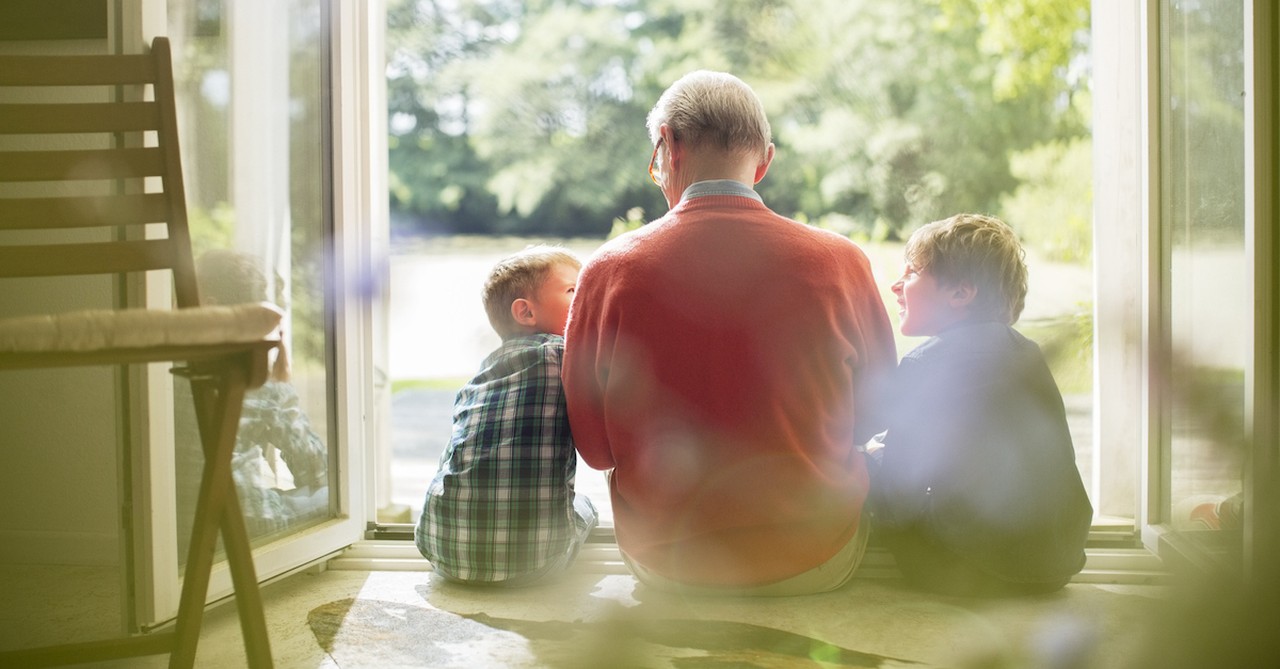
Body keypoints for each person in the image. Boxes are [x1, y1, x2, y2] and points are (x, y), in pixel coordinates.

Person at [562, 70, 898, 595]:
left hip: (667, 566)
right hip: (816, 559)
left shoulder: (608, 271)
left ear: (668, 146)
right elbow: (875, 417)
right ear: (764, 161)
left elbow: (596, 451)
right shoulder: (842, 262)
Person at [869, 213, 1093, 597]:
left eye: (911, 273)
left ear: (961, 293)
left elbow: (895, 502)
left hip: (965, 572)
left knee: (860, 468)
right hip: (1056, 565)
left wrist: (873, 460)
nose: (895, 285)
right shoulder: (1028, 353)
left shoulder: (924, 362)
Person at [415, 245, 598, 586]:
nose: (587, 298)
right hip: (536, 563)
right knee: (586, 507)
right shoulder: (565, 355)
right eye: (574, 290)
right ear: (525, 312)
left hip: (442, 550)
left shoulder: (480, 377)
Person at [175, 250, 330, 559]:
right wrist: (282, 387)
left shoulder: (167, 372)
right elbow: (316, 469)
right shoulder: (260, 385)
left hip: (175, 530)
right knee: (338, 496)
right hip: (245, 525)